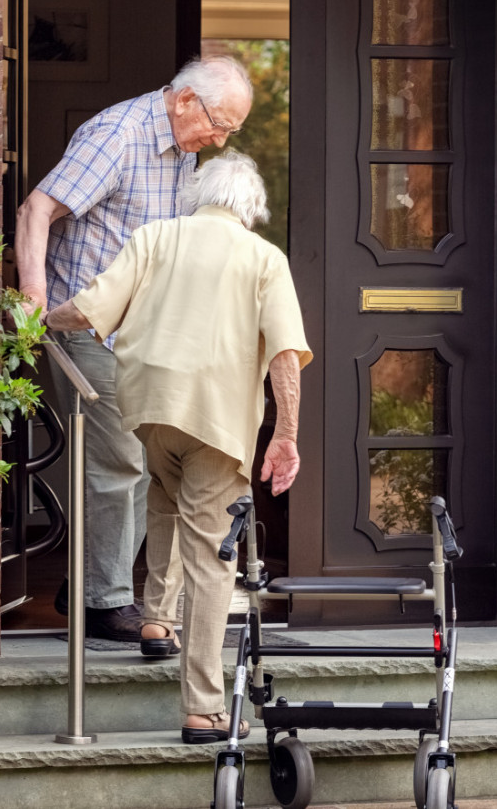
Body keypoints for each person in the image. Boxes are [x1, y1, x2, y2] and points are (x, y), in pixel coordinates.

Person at [41, 153, 311, 744]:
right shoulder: (265, 258)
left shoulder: (154, 236)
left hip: (149, 407)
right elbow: (286, 355)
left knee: (165, 498)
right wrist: (286, 435)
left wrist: (35, 316)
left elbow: (87, 311)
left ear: (199, 196)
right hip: (216, 418)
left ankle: (158, 621)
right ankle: (204, 707)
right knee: (214, 563)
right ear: (251, 210)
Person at [15, 55, 254, 641]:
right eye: (219, 124)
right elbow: (37, 208)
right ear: (184, 101)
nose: (220, 139)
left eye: (230, 132)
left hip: (147, 334)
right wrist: (33, 297)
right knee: (120, 461)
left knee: (152, 462)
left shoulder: (184, 149)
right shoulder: (118, 137)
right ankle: (104, 603)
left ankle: (91, 584)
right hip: (90, 326)